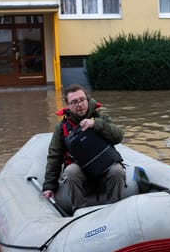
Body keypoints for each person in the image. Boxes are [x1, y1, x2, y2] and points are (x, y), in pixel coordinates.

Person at [42, 84, 126, 213]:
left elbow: (118, 136)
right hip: (81, 173)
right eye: (74, 102)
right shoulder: (62, 128)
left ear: (87, 99)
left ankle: (114, 211)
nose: (79, 104)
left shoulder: (101, 118)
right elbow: (55, 156)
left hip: (105, 169)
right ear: (68, 106)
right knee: (70, 171)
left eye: (81, 100)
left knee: (118, 170)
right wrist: (49, 186)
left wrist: (97, 124)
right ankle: (81, 212)